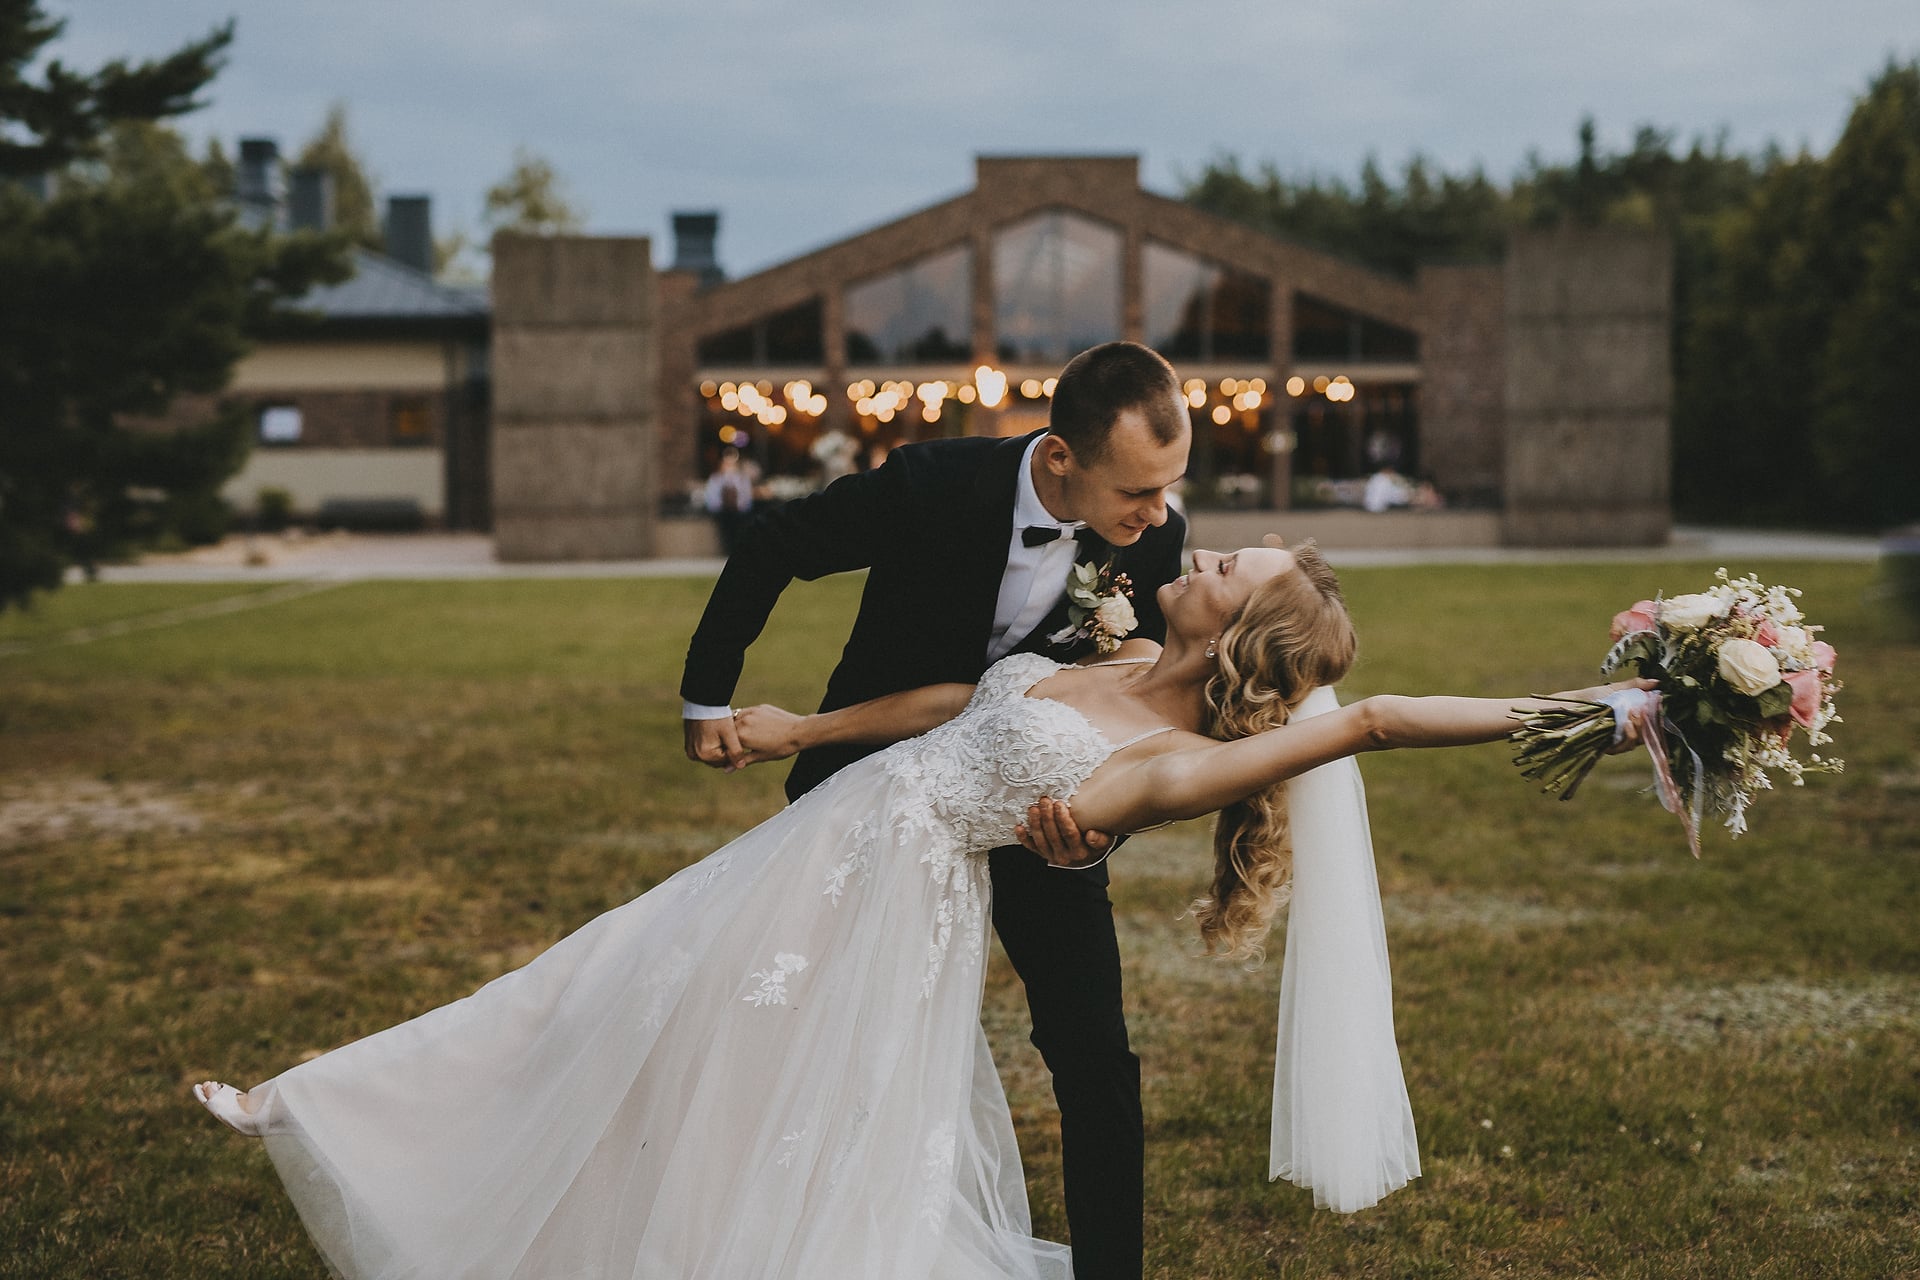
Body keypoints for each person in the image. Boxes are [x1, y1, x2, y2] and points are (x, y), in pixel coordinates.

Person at [194, 541, 1651, 1279]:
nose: (1202, 553)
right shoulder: (1111, 637)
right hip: (825, 837)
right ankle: (356, 1114)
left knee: (729, 1063)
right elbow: (962, 703)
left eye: (1230, 568)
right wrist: (796, 731)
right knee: (624, 986)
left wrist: (1615, 707)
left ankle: (318, 1110)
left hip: (895, 908)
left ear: (1248, 629)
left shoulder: (1182, 759)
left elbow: (1379, 719)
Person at [680, 340, 1190, 1280]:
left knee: (1095, 1055)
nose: (1160, 515)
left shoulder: (1153, 536)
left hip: (1041, 809)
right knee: (794, 1019)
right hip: (881, 794)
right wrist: (708, 697)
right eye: (1138, 493)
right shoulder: (930, 484)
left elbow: (1137, 699)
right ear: (1060, 456)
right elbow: (774, 545)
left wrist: (1098, 827)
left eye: (1170, 487)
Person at [703, 447, 757, 556]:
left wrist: (740, 507)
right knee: (726, 533)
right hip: (723, 513)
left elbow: (746, 496)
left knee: (738, 532)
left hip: (739, 514)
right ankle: (727, 551)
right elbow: (711, 496)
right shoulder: (716, 479)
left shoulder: (742, 479)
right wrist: (719, 507)